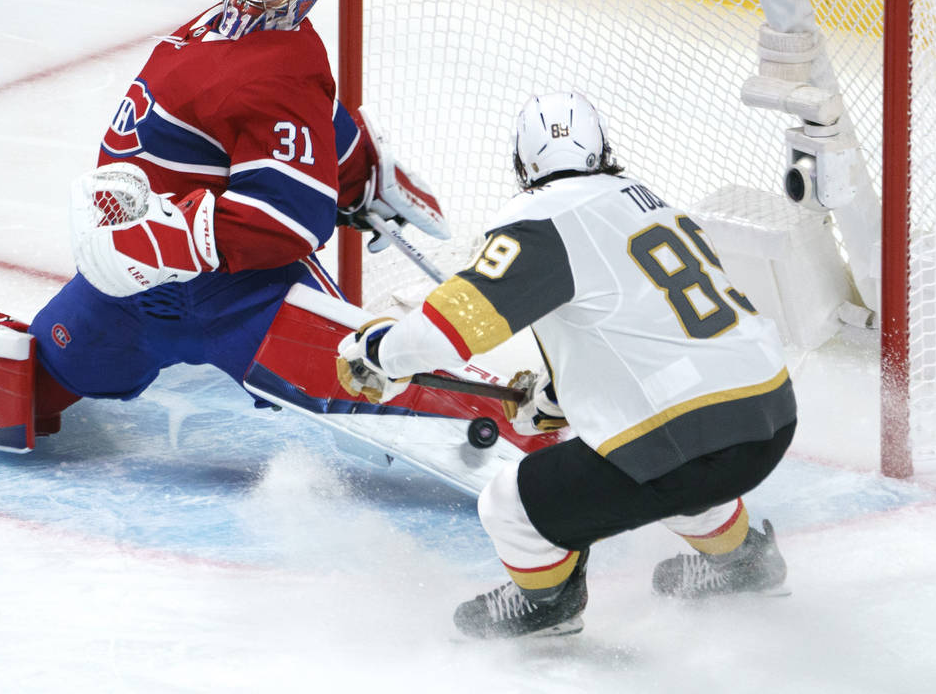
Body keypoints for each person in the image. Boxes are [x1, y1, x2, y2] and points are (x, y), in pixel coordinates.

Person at [0, 0, 447, 451]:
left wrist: (164, 239)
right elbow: (316, 116)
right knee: (26, 394)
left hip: (243, 291)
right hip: (136, 290)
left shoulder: (282, 69)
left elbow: (289, 216)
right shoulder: (217, 27)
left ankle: (496, 417)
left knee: (377, 394)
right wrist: (359, 171)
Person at [336, 91, 797, 639]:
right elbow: (640, 329)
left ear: (522, 163)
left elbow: (452, 329)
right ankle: (744, 561)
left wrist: (380, 352)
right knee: (673, 476)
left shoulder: (541, 220)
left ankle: (546, 604)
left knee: (510, 506)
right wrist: (559, 397)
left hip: (689, 442)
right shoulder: (648, 203)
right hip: (770, 415)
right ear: (603, 150)